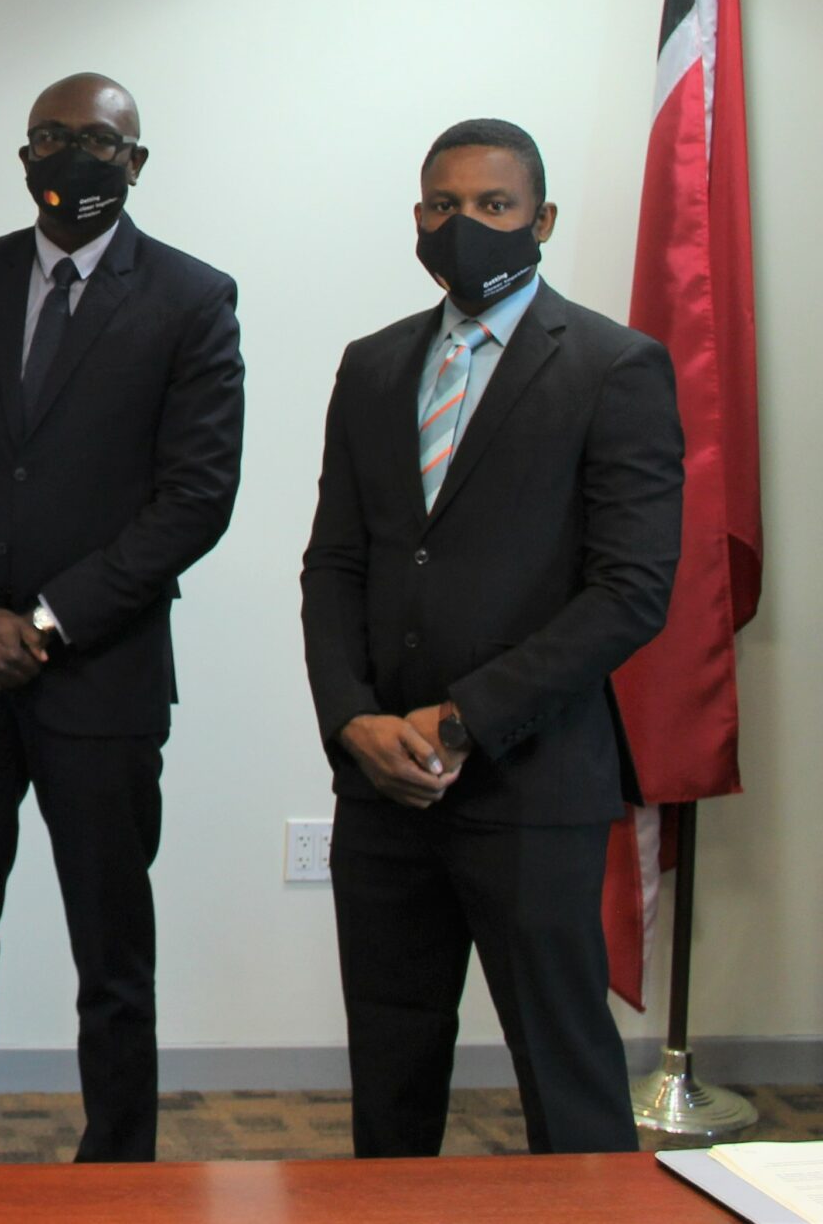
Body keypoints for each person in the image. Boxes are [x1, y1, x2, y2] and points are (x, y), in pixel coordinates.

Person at [0, 72, 244, 1164]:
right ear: (23, 155)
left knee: (111, 950)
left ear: (136, 163)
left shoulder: (191, 297)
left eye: (96, 140)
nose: (70, 156)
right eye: (49, 136)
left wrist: (42, 620)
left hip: (101, 677)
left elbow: (196, 498)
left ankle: (118, 1169)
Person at [302, 118, 681, 1157]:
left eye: (493, 205)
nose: (463, 223)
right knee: (390, 1087)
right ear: (416, 216)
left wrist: (464, 720)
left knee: (567, 1085)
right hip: (383, 788)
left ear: (541, 220)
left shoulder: (614, 365)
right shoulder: (373, 365)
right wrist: (352, 720)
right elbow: (334, 564)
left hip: (532, 783)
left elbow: (630, 591)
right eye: (443, 204)